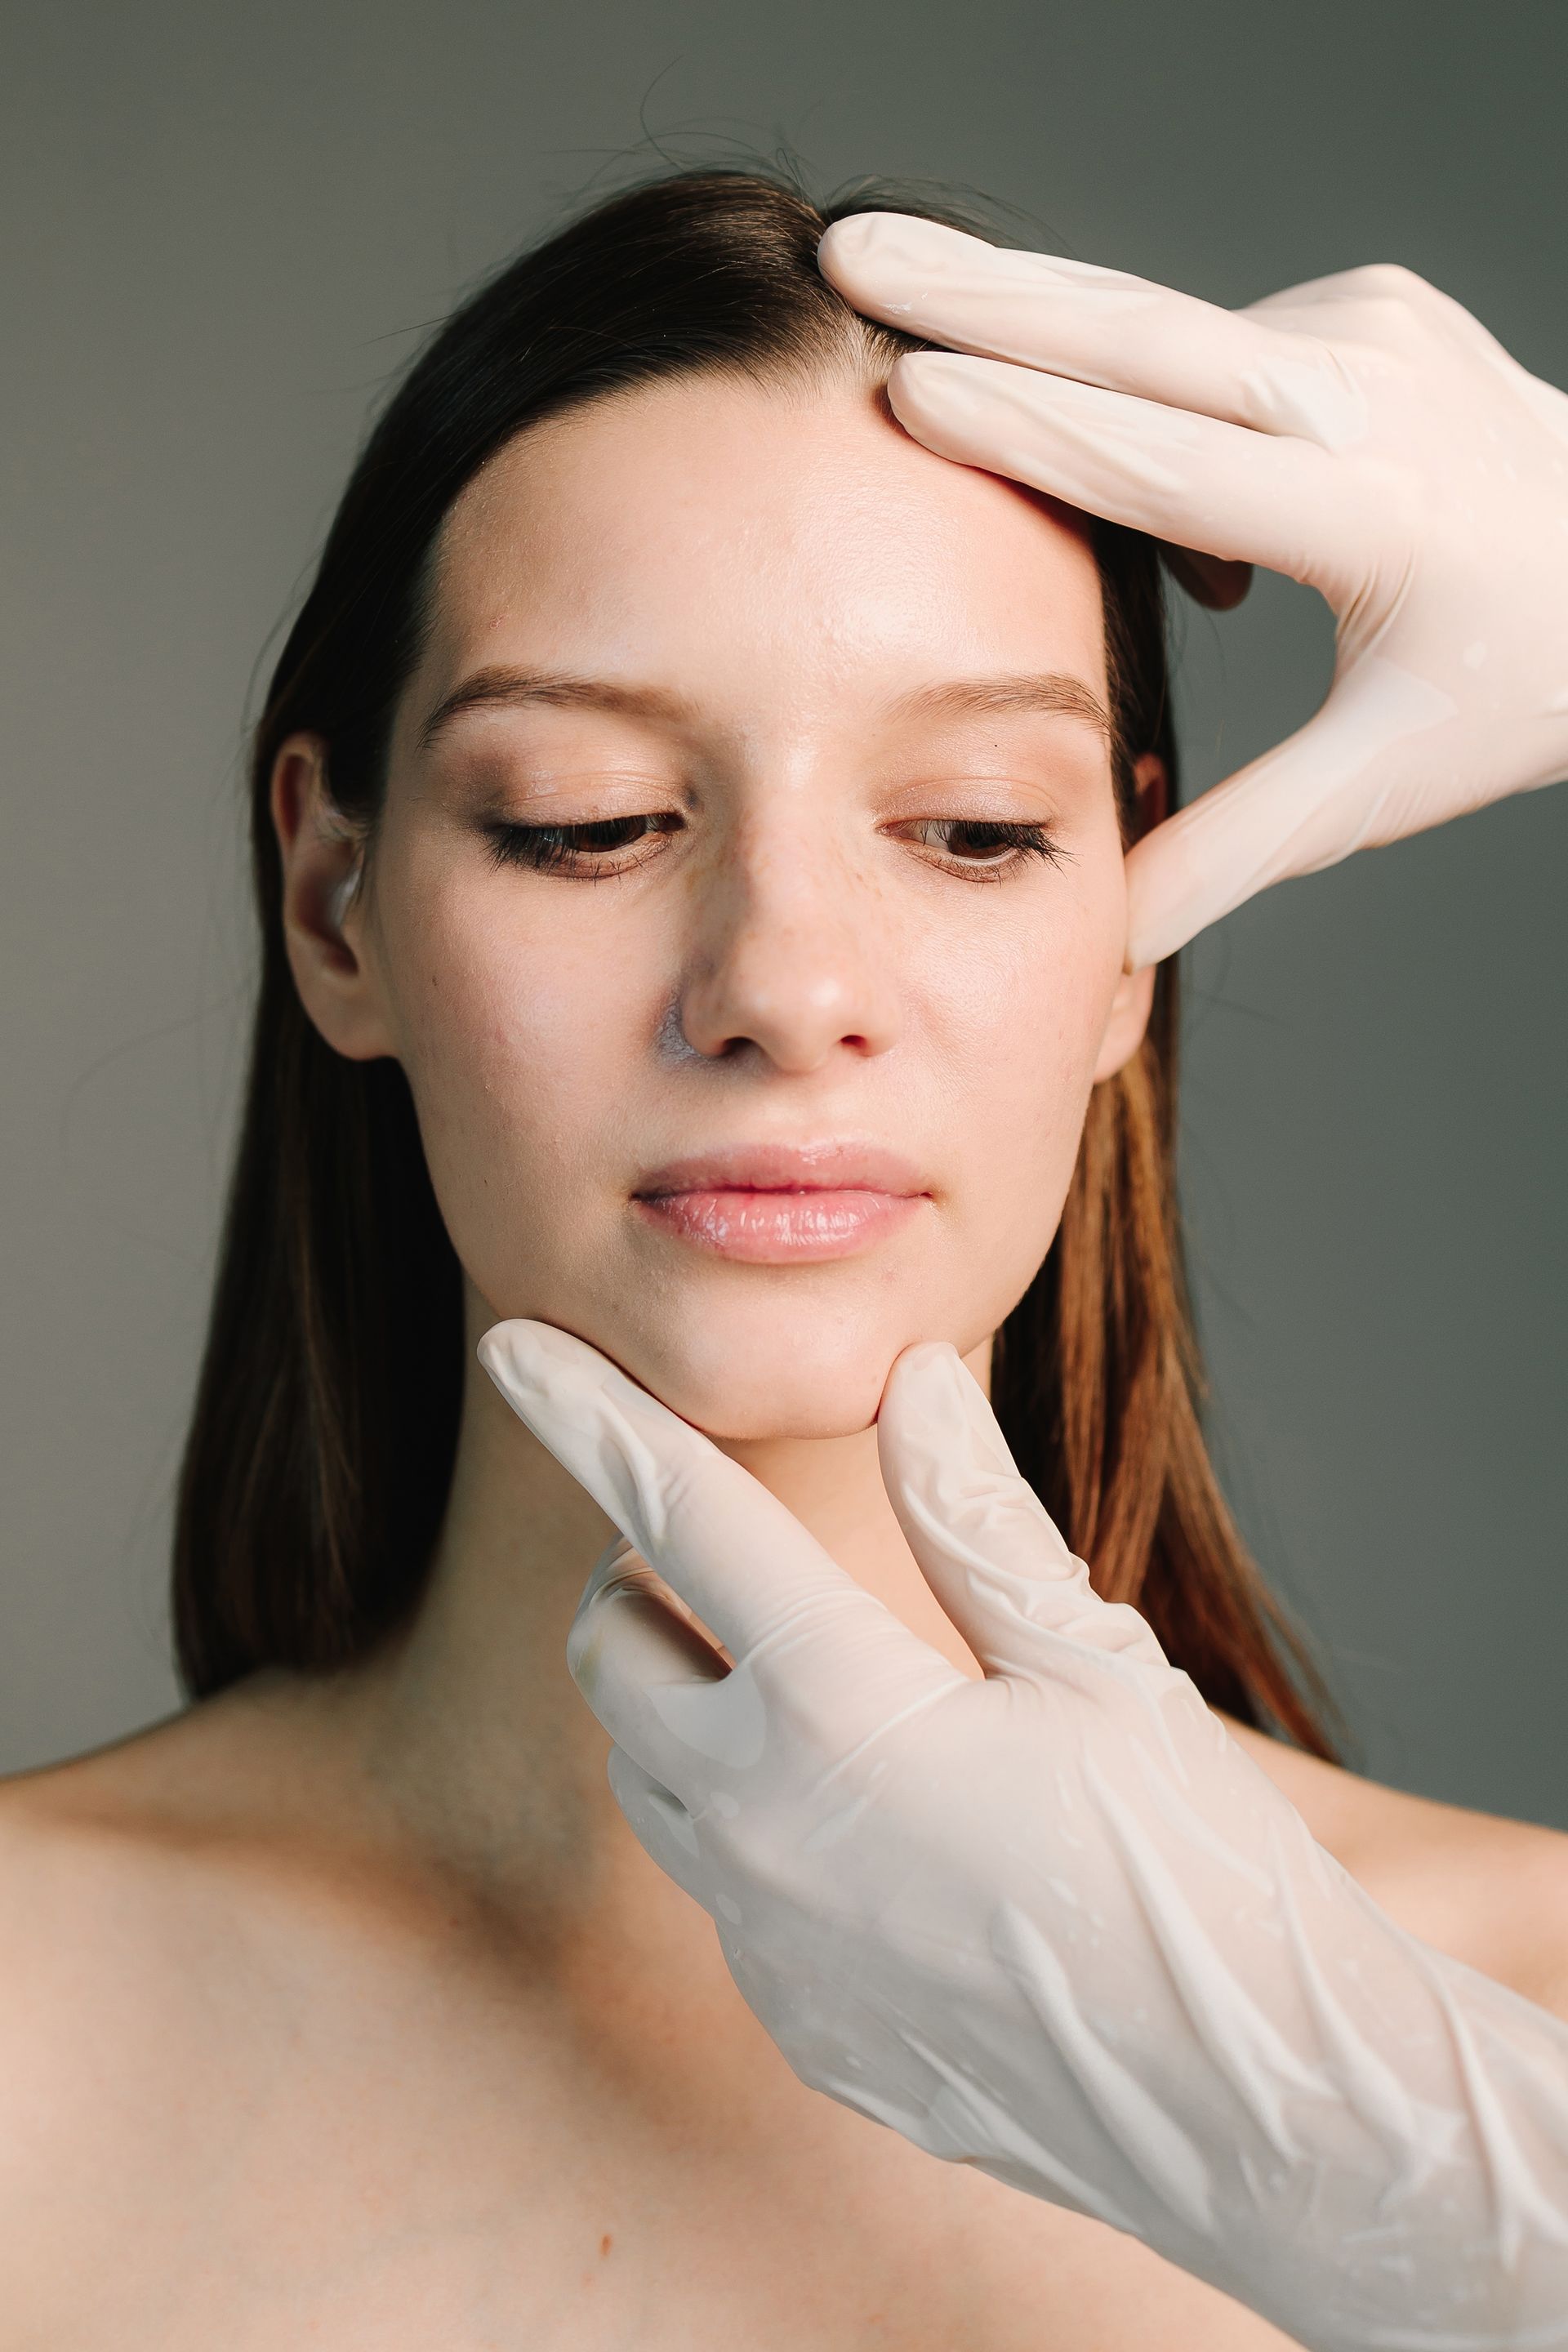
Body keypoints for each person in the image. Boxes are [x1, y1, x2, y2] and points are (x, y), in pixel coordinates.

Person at [0, 166, 1558, 2349]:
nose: (784, 981)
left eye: (978, 829)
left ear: (1132, 933)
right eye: (592, 818)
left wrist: (1430, 2184)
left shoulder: (1514, 2028)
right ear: (333, 903)